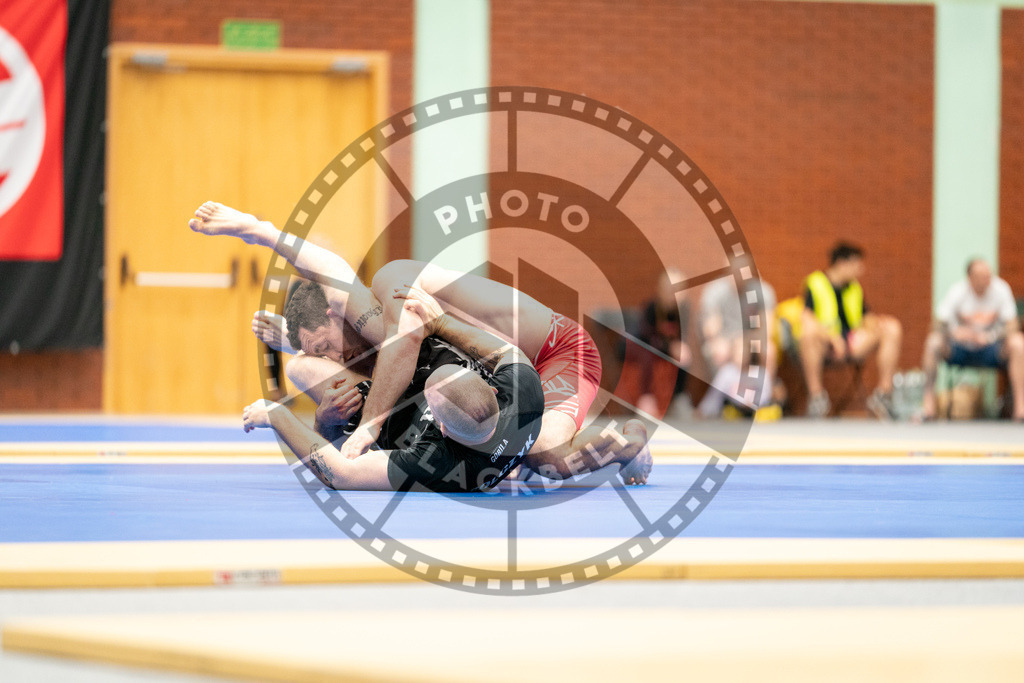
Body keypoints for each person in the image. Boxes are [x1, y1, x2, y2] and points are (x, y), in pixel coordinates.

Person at [190, 201, 651, 484]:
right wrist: (299, 350)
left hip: (557, 356)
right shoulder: (369, 325)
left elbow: (330, 271)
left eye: (325, 346)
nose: (332, 360)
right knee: (353, 354)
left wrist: (258, 231)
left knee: (546, 460)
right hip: (496, 370)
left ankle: (628, 440)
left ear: (337, 311)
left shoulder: (392, 287)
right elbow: (342, 319)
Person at [243, 287, 634, 491]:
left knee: (298, 368)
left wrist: (304, 421)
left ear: (443, 430)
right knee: (549, 459)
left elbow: (340, 474)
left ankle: (631, 441)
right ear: (491, 385)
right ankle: (628, 442)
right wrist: (440, 322)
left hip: (561, 351)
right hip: (536, 365)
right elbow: (507, 353)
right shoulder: (523, 386)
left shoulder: (436, 463)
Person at [799, 242, 902, 419]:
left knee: (892, 327)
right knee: (807, 334)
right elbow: (807, 318)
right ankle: (816, 397)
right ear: (841, 263)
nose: (860, 269)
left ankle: (883, 395)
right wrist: (831, 338)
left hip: (852, 341)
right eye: (856, 264)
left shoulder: (854, 287)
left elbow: (865, 317)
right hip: (825, 343)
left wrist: (877, 324)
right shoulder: (815, 282)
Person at [919, 258, 1024, 421]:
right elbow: (936, 325)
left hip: (992, 349)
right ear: (970, 278)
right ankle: (928, 406)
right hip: (960, 349)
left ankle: (1020, 409)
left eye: (988, 276)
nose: (986, 280)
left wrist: (991, 336)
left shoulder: (1001, 289)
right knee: (933, 342)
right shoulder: (957, 292)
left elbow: (1013, 325)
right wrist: (955, 333)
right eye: (981, 277)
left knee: (1018, 342)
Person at [698, 275, 780, 418]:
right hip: (734, 405)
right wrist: (704, 410)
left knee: (770, 351)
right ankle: (728, 407)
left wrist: (761, 403)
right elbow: (714, 395)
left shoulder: (760, 375)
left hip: (754, 407)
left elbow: (766, 329)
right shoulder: (728, 373)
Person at [616, 268, 693, 420]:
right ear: (662, 290)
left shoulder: (683, 310)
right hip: (639, 349)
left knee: (684, 355)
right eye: (672, 290)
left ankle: (678, 396)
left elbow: (683, 338)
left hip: (665, 354)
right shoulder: (651, 308)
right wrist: (670, 348)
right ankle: (647, 397)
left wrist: (679, 348)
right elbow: (646, 338)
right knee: (649, 353)